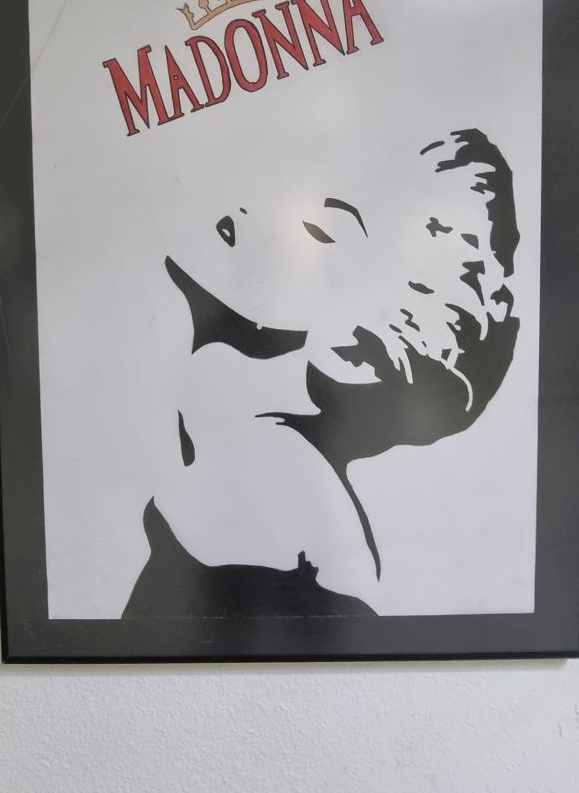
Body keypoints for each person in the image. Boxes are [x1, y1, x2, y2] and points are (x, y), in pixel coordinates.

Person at [123, 128, 520, 618]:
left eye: (317, 233)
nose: (236, 219)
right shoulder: (206, 516)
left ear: (359, 355)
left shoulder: (273, 560)